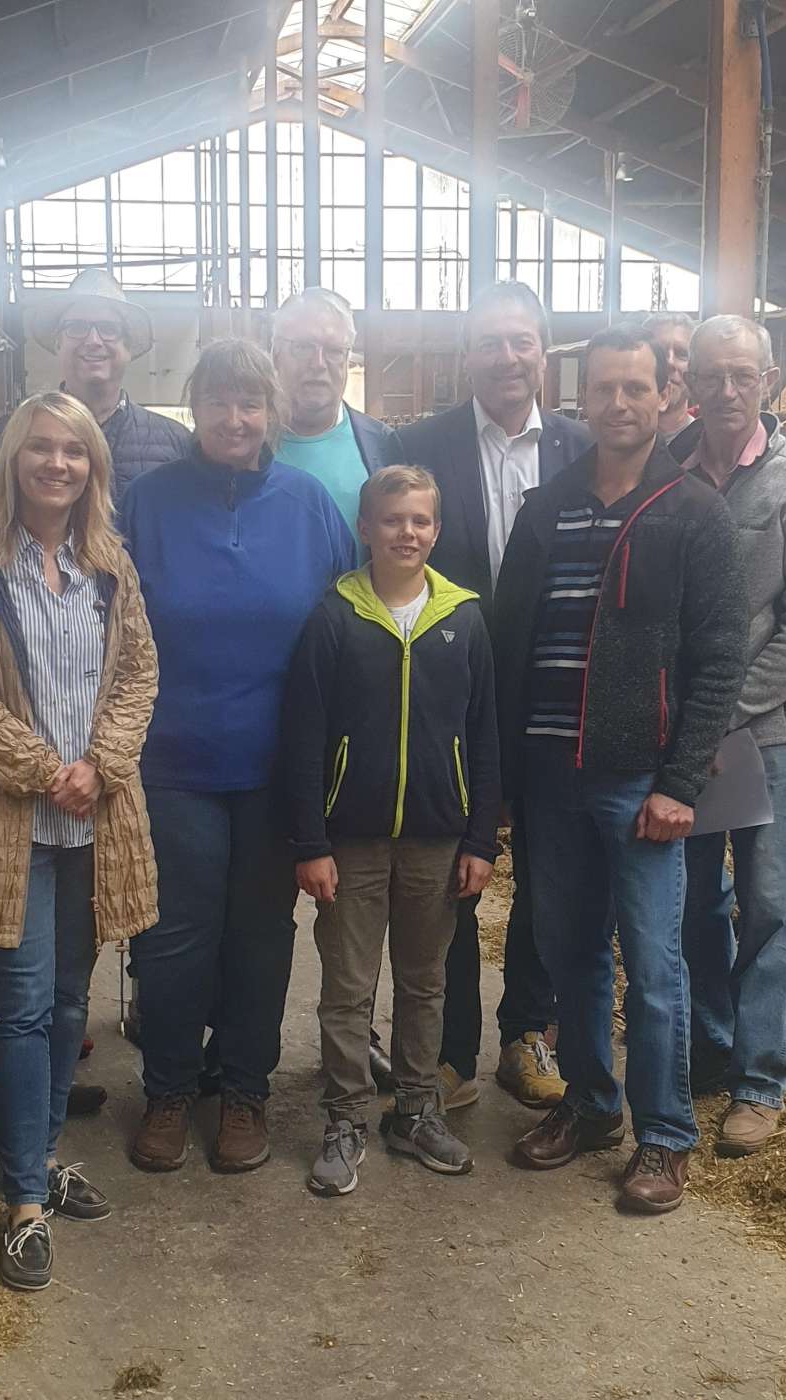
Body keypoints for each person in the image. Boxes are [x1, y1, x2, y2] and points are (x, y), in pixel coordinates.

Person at [492, 321, 746, 1214]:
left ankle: (666, 1134)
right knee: (569, 952)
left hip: (638, 781)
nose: (620, 403)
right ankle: (594, 1105)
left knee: (654, 961)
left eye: (636, 387)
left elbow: (721, 658)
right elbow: (510, 642)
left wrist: (680, 783)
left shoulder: (693, 511)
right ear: (582, 397)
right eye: (603, 388)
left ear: (665, 395)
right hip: (549, 773)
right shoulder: (547, 506)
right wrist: (507, 776)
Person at [0, 392, 158, 1290]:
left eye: (74, 450)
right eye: (40, 448)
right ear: (13, 461)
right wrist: (46, 770)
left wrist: (101, 765)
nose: (57, 464)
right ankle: (24, 1199)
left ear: (93, 467)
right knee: (19, 1009)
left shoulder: (109, 567)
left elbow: (138, 673)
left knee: (67, 1004)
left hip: (91, 820)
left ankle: (47, 1155)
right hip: (8, 821)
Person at [120, 338, 355, 1175]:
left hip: (277, 768)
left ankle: (245, 1090)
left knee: (260, 934)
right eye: (217, 401)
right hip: (172, 763)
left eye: (249, 403)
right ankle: (169, 1087)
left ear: (271, 412)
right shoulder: (146, 502)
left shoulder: (309, 505)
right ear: (194, 407)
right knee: (174, 935)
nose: (233, 418)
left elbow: (347, 623)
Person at [392, 280, 591, 1114]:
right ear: (464, 354)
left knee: (547, 866)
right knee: (452, 867)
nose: (507, 358)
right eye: (489, 342)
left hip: (553, 696)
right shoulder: (420, 445)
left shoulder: (583, 449)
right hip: (451, 695)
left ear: (543, 350)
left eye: (521, 341)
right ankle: (450, 1051)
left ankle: (528, 1032)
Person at [284, 466, 500, 1196]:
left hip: (439, 838)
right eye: (392, 519)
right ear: (366, 528)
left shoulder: (463, 618)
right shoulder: (334, 617)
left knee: (424, 982)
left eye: (420, 521)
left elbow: (485, 733)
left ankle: (414, 1109)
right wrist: (310, 842)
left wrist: (481, 840)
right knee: (347, 987)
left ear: (436, 530)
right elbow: (304, 737)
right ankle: (345, 1117)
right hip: (352, 839)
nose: (407, 533)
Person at [669, 314, 786, 1158]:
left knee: (772, 902)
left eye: (744, 375)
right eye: (712, 375)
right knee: (695, 897)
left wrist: (723, 707)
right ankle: (709, 1047)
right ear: (688, 383)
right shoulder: (666, 474)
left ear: (770, 381)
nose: (728, 390)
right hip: (685, 740)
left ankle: (759, 1079)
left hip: (774, 736)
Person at [0, 267, 191, 497]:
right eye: (77, 327)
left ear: (128, 348)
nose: (93, 341)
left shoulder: (175, 442)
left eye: (108, 329)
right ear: (58, 344)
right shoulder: (10, 434)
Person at [273, 286, 397, 535]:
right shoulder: (241, 445)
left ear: (348, 359)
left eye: (334, 351)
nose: (318, 363)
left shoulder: (382, 445)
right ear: (276, 355)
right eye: (304, 347)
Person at [643, 310, 698, 440]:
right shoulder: (612, 440)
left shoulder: (709, 444)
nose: (670, 362)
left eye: (682, 354)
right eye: (659, 353)